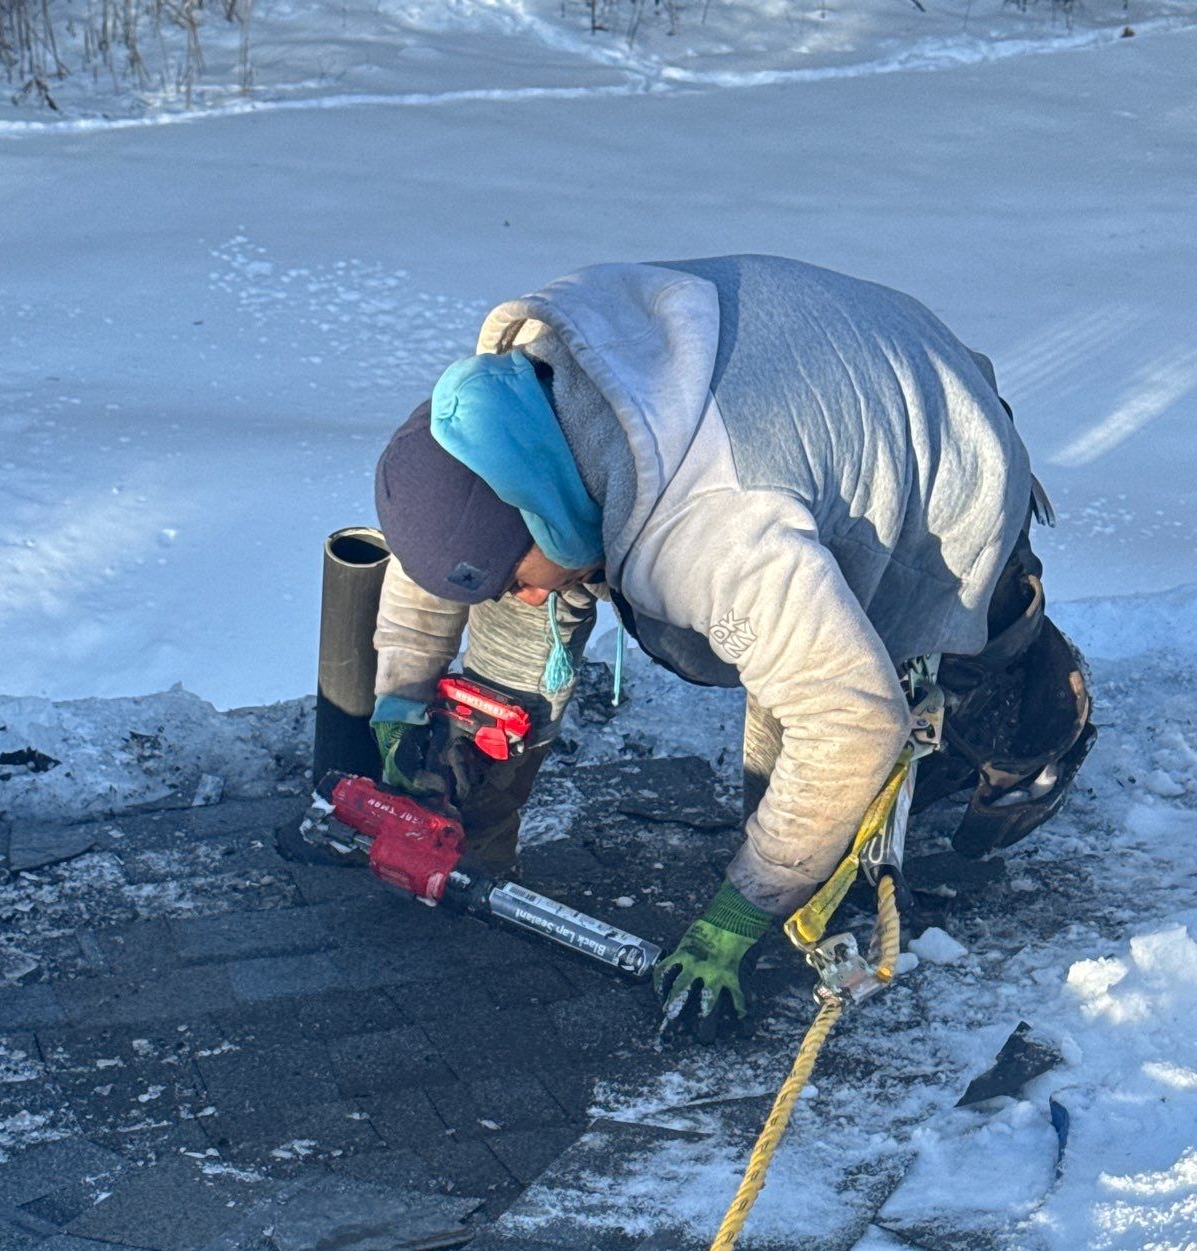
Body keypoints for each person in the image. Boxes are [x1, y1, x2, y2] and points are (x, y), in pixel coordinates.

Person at [368, 256, 1093, 1041]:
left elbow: (846, 723)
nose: (524, 593)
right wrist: (403, 695)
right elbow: (451, 544)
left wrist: (741, 910)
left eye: (516, 573)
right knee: (519, 620)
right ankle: (471, 831)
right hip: (795, 398)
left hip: (939, 447)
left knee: (866, 710)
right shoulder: (496, 416)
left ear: (537, 512)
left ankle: (1041, 719)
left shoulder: (722, 534)